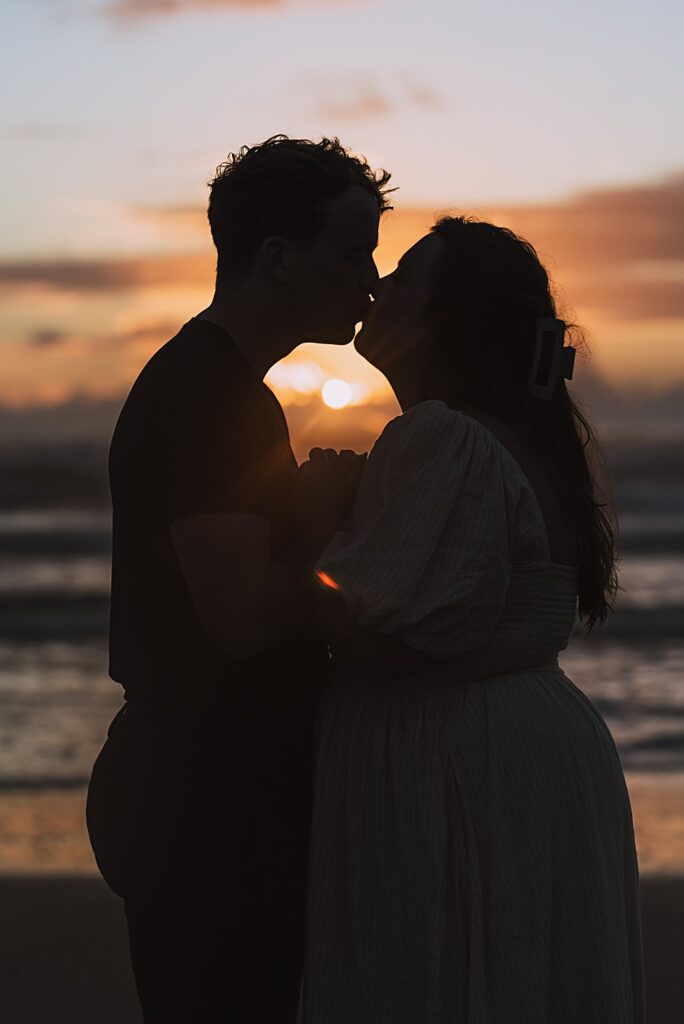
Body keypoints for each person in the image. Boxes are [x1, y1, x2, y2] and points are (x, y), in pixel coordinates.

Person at [297, 217, 645, 1022]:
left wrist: (315, 527)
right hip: (529, 753)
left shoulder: (443, 438)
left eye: (404, 275)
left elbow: (373, 636)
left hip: (459, 765)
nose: (377, 285)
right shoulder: (523, 441)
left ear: (446, 318)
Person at [86, 135, 392, 1023]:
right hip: (206, 805)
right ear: (280, 258)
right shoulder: (212, 395)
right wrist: (326, 529)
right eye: (353, 254)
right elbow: (244, 618)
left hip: (201, 792)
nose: (371, 281)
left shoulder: (214, 384)